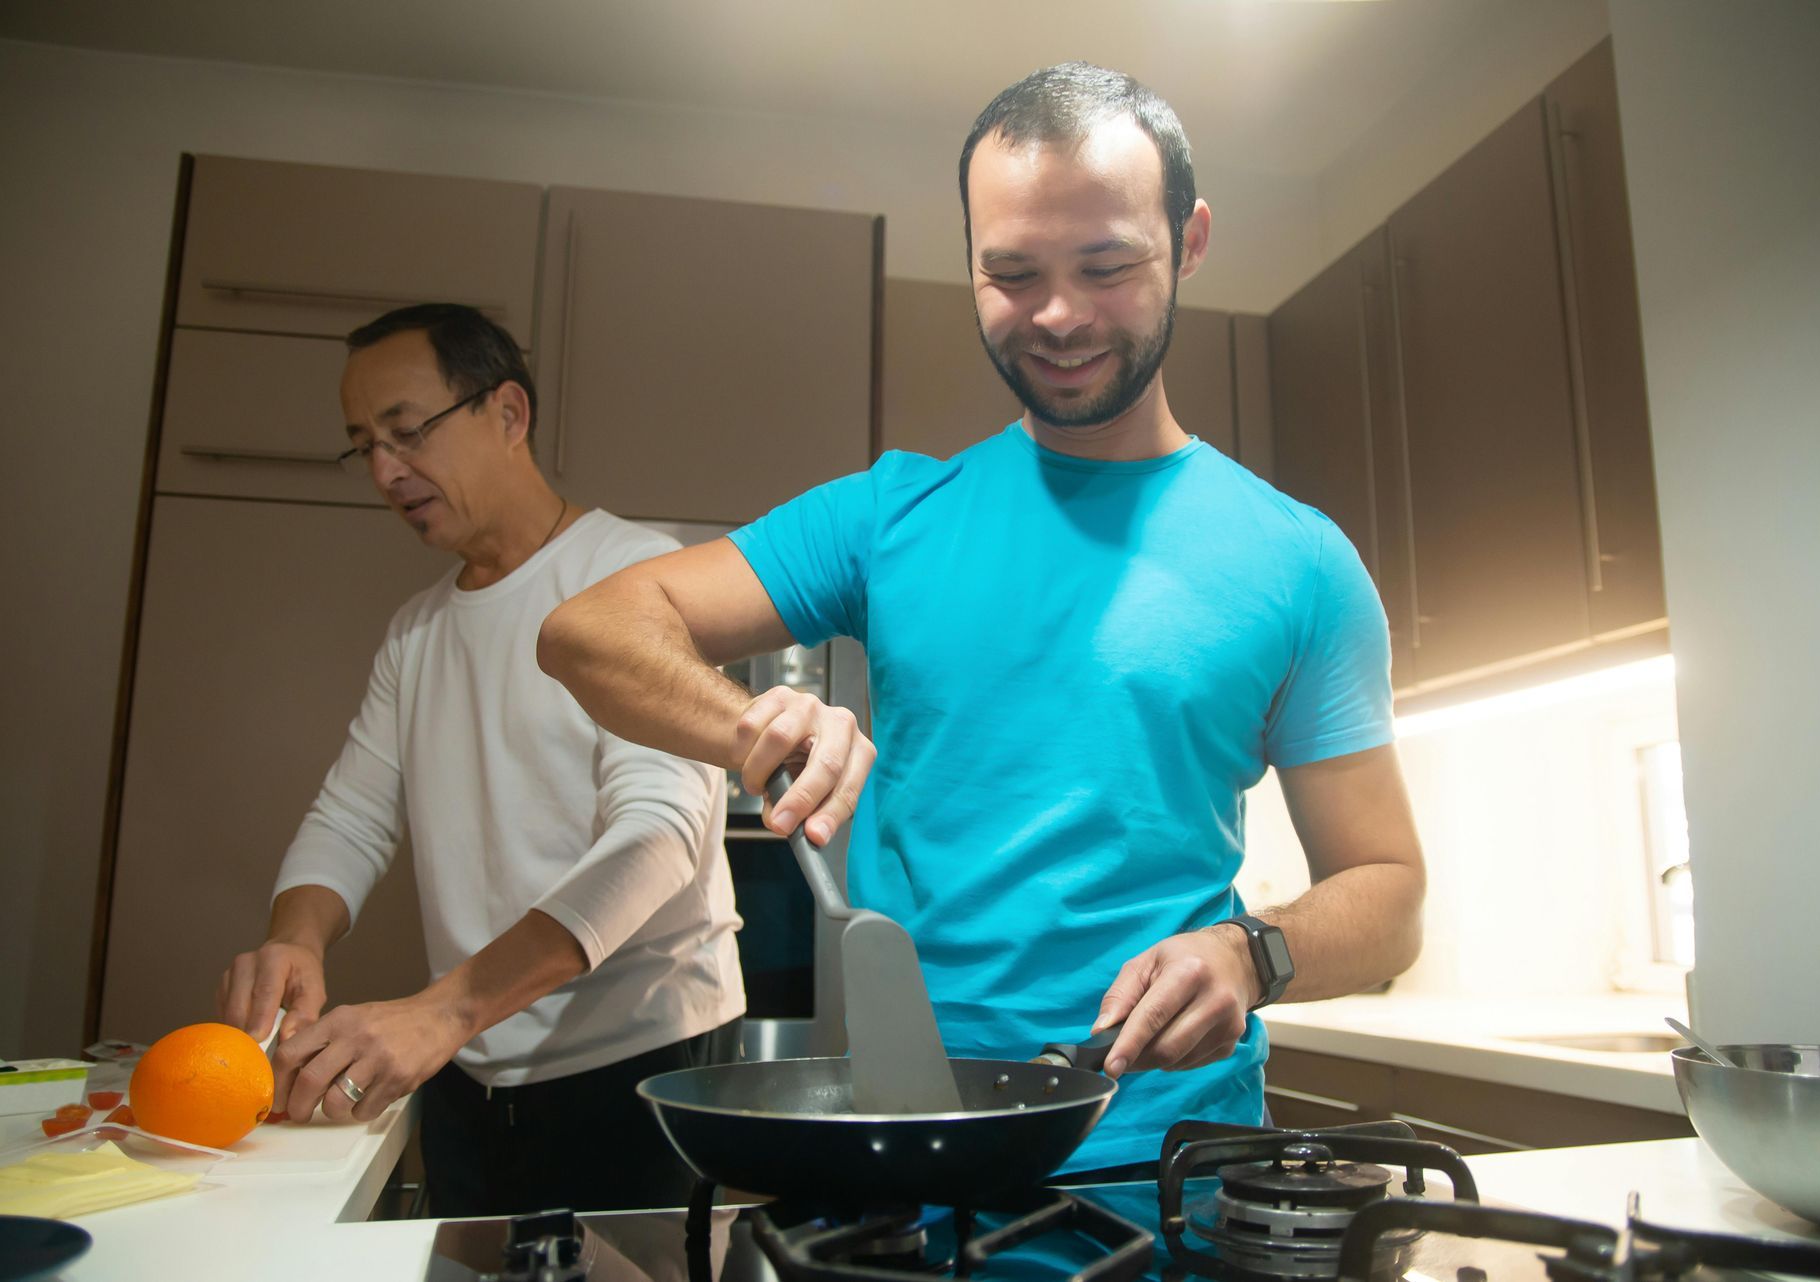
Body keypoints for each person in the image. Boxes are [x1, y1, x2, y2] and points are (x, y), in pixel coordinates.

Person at [537, 63, 1424, 1176]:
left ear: (1188, 241)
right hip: (913, 1149)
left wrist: (1255, 953)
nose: (1057, 316)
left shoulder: (1300, 562)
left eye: (1107, 267)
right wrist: (749, 730)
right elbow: (587, 631)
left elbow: (1389, 896)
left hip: (1173, 1166)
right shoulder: (890, 517)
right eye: (1011, 273)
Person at [218, 303, 744, 1213]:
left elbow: (660, 833)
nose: (386, 471)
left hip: (644, 1067)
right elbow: (351, 816)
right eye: (363, 446)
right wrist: (293, 938)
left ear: (508, 413)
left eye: (406, 431)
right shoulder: (418, 631)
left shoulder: (635, 578)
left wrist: (443, 1009)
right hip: (468, 1067)